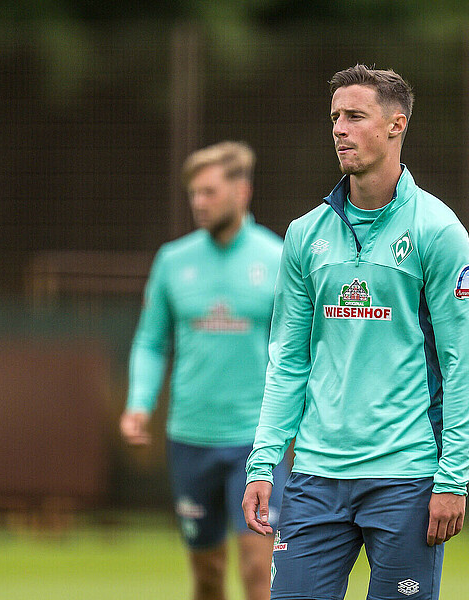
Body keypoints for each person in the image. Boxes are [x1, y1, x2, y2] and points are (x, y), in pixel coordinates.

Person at [242, 65, 469, 600]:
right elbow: (288, 359)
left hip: (406, 477)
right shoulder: (305, 235)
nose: (339, 129)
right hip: (314, 476)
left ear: (397, 125)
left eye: (355, 116)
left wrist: (453, 478)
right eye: (334, 117)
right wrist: (263, 462)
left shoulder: (438, 233)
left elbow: (463, 365)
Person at [121, 141, 286, 600]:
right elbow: (151, 343)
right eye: (194, 193)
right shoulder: (173, 261)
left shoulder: (277, 259)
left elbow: (297, 352)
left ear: (242, 191)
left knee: (258, 570)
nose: (199, 202)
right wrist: (139, 403)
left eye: (210, 192)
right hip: (190, 437)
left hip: (256, 441)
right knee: (208, 575)